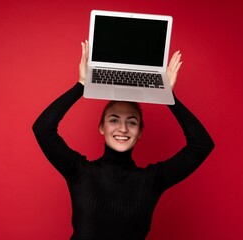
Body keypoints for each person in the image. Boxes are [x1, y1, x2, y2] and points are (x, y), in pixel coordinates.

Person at [32, 40, 215, 240]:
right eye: (114, 120)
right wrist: (81, 84)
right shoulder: (79, 171)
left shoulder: (152, 180)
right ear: (102, 127)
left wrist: (168, 96)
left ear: (140, 131)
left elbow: (202, 144)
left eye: (132, 122)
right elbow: (42, 128)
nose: (123, 128)